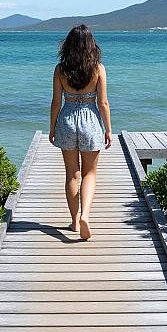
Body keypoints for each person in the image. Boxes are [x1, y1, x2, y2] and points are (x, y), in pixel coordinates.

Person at [49, 24, 112, 240]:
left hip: (66, 119)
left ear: (68, 45)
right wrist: (109, 130)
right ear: (91, 45)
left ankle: (74, 221)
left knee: (71, 174)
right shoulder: (98, 68)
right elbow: (103, 102)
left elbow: (56, 102)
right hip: (90, 121)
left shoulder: (60, 69)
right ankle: (86, 215)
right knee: (89, 173)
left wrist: (52, 128)